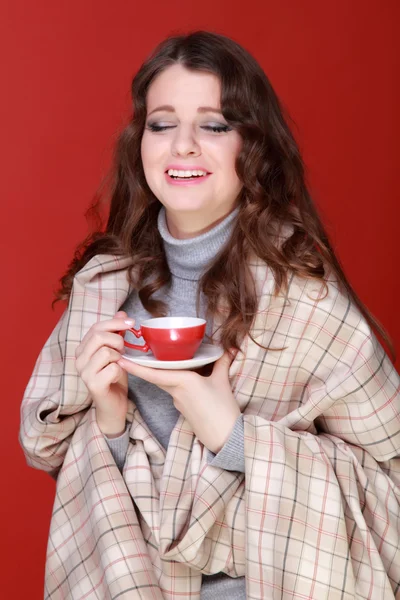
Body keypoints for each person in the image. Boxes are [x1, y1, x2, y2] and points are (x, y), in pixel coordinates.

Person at [19, 30, 400, 600]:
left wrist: (232, 433)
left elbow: (390, 485)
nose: (183, 146)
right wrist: (109, 420)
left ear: (253, 145)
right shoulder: (103, 288)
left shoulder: (305, 298)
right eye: (162, 123)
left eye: (215, 125)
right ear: (139, 142)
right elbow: (74, 476)